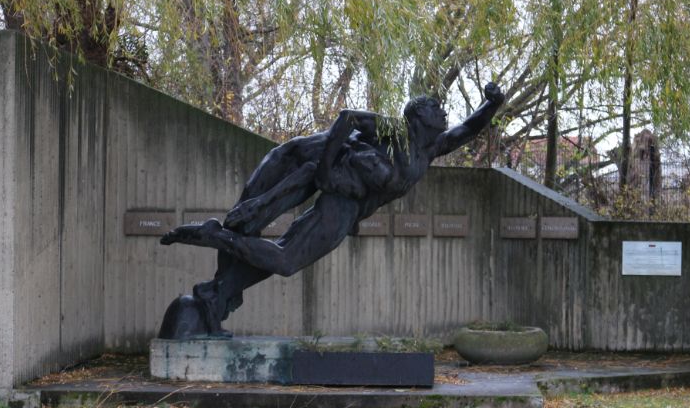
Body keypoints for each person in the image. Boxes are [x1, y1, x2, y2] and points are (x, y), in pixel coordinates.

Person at [157, 82, 504, 338]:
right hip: (338, 202)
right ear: (417, 117)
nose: (444, 112)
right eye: (435, 107)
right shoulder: (393, 131)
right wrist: (324, 169)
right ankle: (216, 236)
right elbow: (348, 118)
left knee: (280, 260)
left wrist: (491, 104)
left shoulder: (428, 150)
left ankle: (215, 295)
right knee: (286, 260)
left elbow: (468, 129)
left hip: (347, 212)